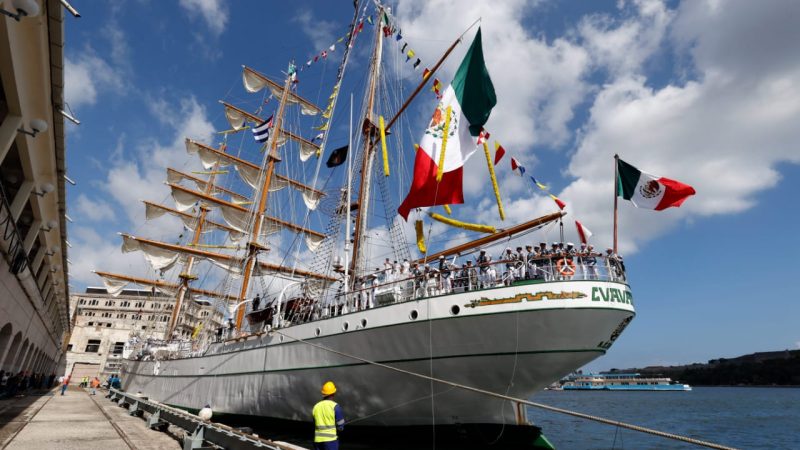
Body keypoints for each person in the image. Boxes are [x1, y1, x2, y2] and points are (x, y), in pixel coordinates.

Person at [312, 381, 345, 450]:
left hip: (317, 441)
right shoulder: (335, 406)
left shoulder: (316, 406)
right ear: (333, 393)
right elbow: (341, 427)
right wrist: (339, 427)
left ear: (323, 393)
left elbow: (314, 423)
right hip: (331, 441)